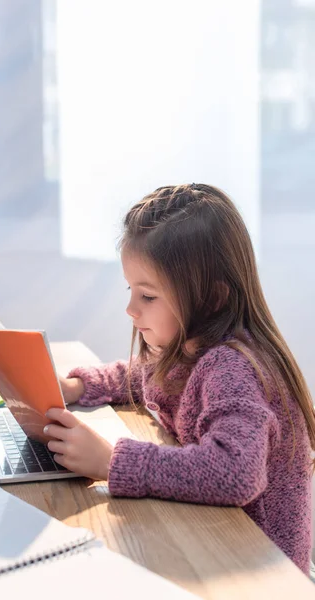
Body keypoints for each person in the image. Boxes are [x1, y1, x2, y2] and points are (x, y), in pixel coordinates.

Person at [44, 183, 314, 573]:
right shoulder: (194, 347)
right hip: (218, 545)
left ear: (212, 298)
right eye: (131, 290)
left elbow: (235, 473)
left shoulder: (231, 367)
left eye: (147, 297)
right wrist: (78, 386)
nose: (130, 309)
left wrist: (110, 462)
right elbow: (145, 376)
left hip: (259, 571)